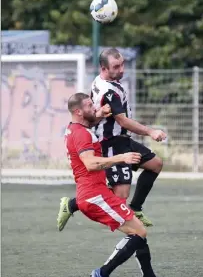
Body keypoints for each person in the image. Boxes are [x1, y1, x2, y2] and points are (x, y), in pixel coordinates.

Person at [63, 92, 177, 277]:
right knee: (138, 232)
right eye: (90, 106)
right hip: (94, 196)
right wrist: (121, 158)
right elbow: (90, 163)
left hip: (97, 193)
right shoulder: (81, 133)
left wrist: (102, 113)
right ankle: (103, 273)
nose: (94, 108)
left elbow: (92, 121)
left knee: (137, 231)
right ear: (78, 111)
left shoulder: (76, 128)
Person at [57, 48, 166, 231]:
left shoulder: (101, 81)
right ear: (104, 68)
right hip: (111, 143)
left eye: (122, 64)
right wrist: (150, 132)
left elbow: (98, 113)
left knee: (155, 164)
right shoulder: (109, 91)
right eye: (116, 66)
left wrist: (98, 114)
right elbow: (122, 120)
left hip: (122, 139)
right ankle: (73, 205)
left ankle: (136, 209)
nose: (121, 69)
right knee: (120, 197)